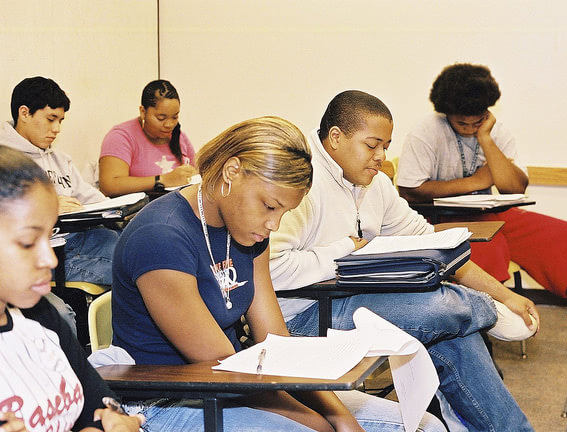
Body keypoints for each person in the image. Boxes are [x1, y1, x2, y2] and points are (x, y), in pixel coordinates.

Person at [110, 116, 445, 431]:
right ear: (231, 172)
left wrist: (339, 417)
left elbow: (276, 344)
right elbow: (223, 367)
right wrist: (322, 423)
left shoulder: (249, 230)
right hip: (166, 401)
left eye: (284, 212)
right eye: (270, 206)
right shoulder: (161, 237)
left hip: (243, 381)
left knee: (425, 426)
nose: (274, 224)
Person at [269, 90, 538, 431]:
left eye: (386, 146)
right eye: (372, 145)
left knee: (453, 329)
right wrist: (344, 252)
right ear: (335, 138)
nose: (381, 157)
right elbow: (272, 269)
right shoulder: (300, 180)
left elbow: (435, 246)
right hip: (302, 317)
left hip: (353, 300)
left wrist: (507, 296)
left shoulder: (376, 184)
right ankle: (482, 310)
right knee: (440, 307)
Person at [396, 63, 567, 367]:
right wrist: (475, 182)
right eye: (462, 123)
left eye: (477, 122)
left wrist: (486, 139)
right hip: (443, 219)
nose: (469, 128)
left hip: (492, 214)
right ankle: (478, 347)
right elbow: (410, 190)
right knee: (487, 251)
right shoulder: (425, 132)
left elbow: (515, 187)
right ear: (446, 113)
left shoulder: (495, 131)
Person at [0, 144, 144, 432]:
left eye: (50, 235)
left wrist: (113, 421)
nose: (50, 259)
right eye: (28, 242)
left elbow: (100, 405)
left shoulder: (40, 314)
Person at [0, 76, 120, 332]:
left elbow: (89, 196)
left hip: (79, 240)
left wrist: (124, 207)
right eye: (50, 119)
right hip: (47, 252)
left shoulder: (58, 158)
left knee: (125, 244)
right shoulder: (5, 160)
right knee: (137, 269)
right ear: (24, 113)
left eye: (61, 121)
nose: (56, 129)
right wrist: (48, 208)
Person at [99, 79, 197, 197]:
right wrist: (162, 180)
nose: (169, 124)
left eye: (175, 117)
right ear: (143, 111)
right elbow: (109, 185)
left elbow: (198, 171)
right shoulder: (121, 136)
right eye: (161, 118)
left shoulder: (180, 137)